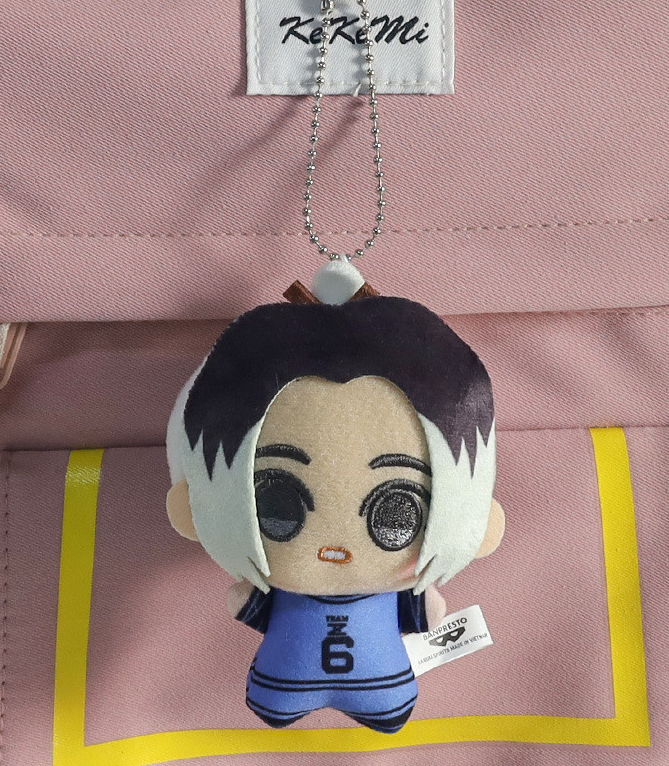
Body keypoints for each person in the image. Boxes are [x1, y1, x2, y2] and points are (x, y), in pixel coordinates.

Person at [165, 295, 504, 732]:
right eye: (280, 507)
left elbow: (243, 604)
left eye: (394, 514)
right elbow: (429, 615)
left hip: (327, 685)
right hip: (322, 686)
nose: (335, 550)